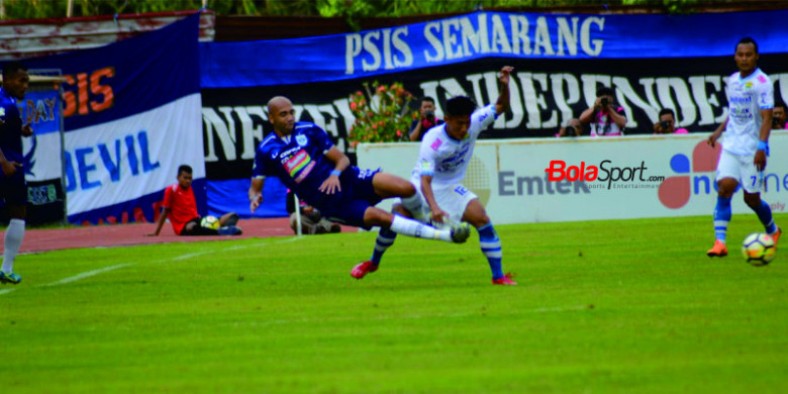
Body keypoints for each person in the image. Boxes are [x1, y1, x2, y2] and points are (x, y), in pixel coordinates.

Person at [352, 66, 517, 286]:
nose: (465, 128)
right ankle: (373, 262)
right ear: (446, 119)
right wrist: (435, 209)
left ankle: (498, 277)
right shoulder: (433, 141)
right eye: (460, 123)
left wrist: (504, 86)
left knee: (482, 219)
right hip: (422, 187)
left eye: (467, 122)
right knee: (396, 217)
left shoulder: (474, 122)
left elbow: (501, 105)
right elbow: (425, 180)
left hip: (450, 187)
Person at [249, 96, 471, 250]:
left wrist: (335, 174)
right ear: (271, 119)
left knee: (406, 188)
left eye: (291, 112)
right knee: (382, 218)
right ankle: (445, 236)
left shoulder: (309, 130)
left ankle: (426, 220)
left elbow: (342, 158)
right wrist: (255, 196)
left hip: (351, 179)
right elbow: (255, 186)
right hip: (332, 203)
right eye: (283, 114)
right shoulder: (266, 150)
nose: (289, 117)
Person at [706, 37, 781, 257]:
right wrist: (719, 131)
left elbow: (766, 118)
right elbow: (734, 112)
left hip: (751, 149)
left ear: (756, 56)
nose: (744, 58)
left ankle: (773, 231)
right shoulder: (732, 81)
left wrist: (761, 147)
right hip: (731, 145)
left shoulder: (762, 82)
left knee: (752, 199)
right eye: (740, 54)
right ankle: (720, 243)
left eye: (748, 55)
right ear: (735, 56)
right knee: (724, 188)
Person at [0, 62, 31, 285]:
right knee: (18, 211)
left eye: (26, 81)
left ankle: (7, 269)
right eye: (21, 81)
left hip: (11, 163)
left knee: (18, 210)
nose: (25, 86)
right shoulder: (4, 104)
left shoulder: (8, 102)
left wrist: (21, 130)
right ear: (7, 80)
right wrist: (4, 163)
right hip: (6, 166)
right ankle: (7, 268)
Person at [150, 164, 242, 236]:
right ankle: (220, 232)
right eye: (185, 178)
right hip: (183, 226)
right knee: (192, 227)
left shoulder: (190, 188)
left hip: (197, 220)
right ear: (178, 177)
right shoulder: (171, 190)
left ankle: (223, 228)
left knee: (233, 215)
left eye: (190, 178)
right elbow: (165, 211)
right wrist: (156, 232)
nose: (188, 181)